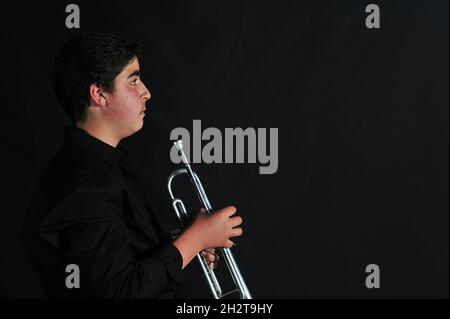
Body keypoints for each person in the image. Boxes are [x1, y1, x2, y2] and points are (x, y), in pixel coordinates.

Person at [20, 32, 243, 298]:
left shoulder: (102, 168)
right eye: (133, 81)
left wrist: (184, 237)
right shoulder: (86, 184)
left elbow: (120, 259)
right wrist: (194, 240)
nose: (146, 92)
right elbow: (122, 292)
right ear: (99, 94)